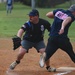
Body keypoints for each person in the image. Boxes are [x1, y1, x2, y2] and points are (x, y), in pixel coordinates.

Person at [39, 4, 75, 71]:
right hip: (62, 39)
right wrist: (62, 27)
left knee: (48, 54)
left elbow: (48, 15)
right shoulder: (71, 16)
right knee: (71, 54)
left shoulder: (59, 11)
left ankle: (44, 57)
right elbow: (66, 20)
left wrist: (57, 17)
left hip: (52, 38)